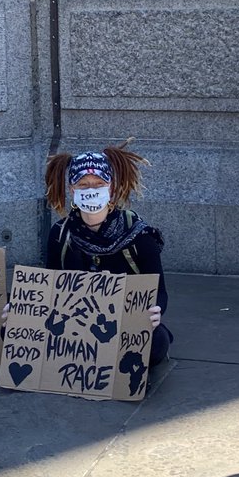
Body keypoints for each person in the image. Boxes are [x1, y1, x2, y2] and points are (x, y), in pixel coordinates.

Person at [43, 145, 172, 367]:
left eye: (98, 184)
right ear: (72, 189)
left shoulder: (139, 235)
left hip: (123, 322)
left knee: (156, 345)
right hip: (74, 324)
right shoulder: (60, 233)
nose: (90, 190)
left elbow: (158, 289)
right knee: (11, 330)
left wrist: (155, 311)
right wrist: (20, 308)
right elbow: (50, 284)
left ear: (111, 188)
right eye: (83, 184)